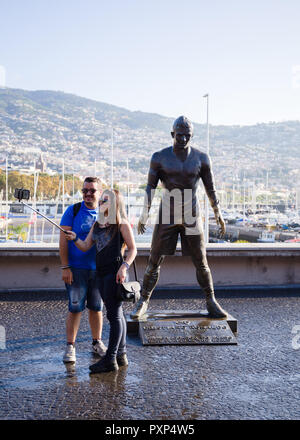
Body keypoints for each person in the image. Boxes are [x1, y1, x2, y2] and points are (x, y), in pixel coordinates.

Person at [131, 115, 228, 319]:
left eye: (187, 136)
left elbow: (211, 188)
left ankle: (211, 300)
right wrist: (144, 213)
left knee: (201, 260)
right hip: (167, 212)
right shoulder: (159, 157)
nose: (183, 139)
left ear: (191, 135)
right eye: (179, 135)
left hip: (191, 213)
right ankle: (144, 300)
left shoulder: (202, 158)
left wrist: (218, 214)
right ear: (172, 134)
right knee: (154, 259)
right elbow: (150, 187)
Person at [65, 189, 137, 373]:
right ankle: (121, 355)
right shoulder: (97, 224)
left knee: (114, 316)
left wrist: (124, 267)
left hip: (116, 273)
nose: (101, 203)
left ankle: (110, 359)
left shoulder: (121, 224)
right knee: (116, 315)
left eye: (106, 200)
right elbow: (85, 245)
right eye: (102, 200)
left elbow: (133, 249)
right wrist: (74, 238)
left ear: (115, 204)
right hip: (101, 273)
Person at [60, 176, 106, 363]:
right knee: (75, 308)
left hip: (99, 270)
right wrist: (65, 267)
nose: (88, 193)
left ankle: (97, 342)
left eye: (92, 190)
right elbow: (63, 241)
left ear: (100, 192)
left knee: (96, 308)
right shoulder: (73, 210)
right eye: (85, 190)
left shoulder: (105, 212)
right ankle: (70, 346)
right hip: (77, 269)